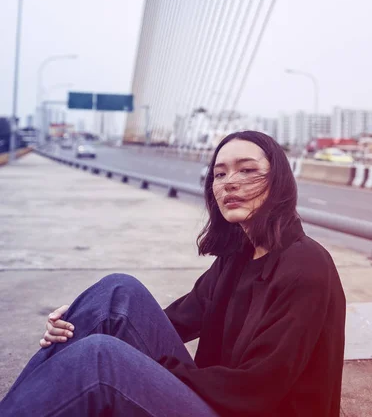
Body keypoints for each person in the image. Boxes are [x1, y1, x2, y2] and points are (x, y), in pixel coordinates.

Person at [0, 131, 346, 417]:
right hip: (220, 399)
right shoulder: (239, 255)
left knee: (100, 357)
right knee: (117, 293)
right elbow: (164, 322)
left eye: (247, 170)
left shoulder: (306, 267)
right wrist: (79, 322)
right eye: (220, 173)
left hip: (250, 408)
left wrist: (147, 368)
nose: (229, 183)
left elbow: (258, 388)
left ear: (278, 180)